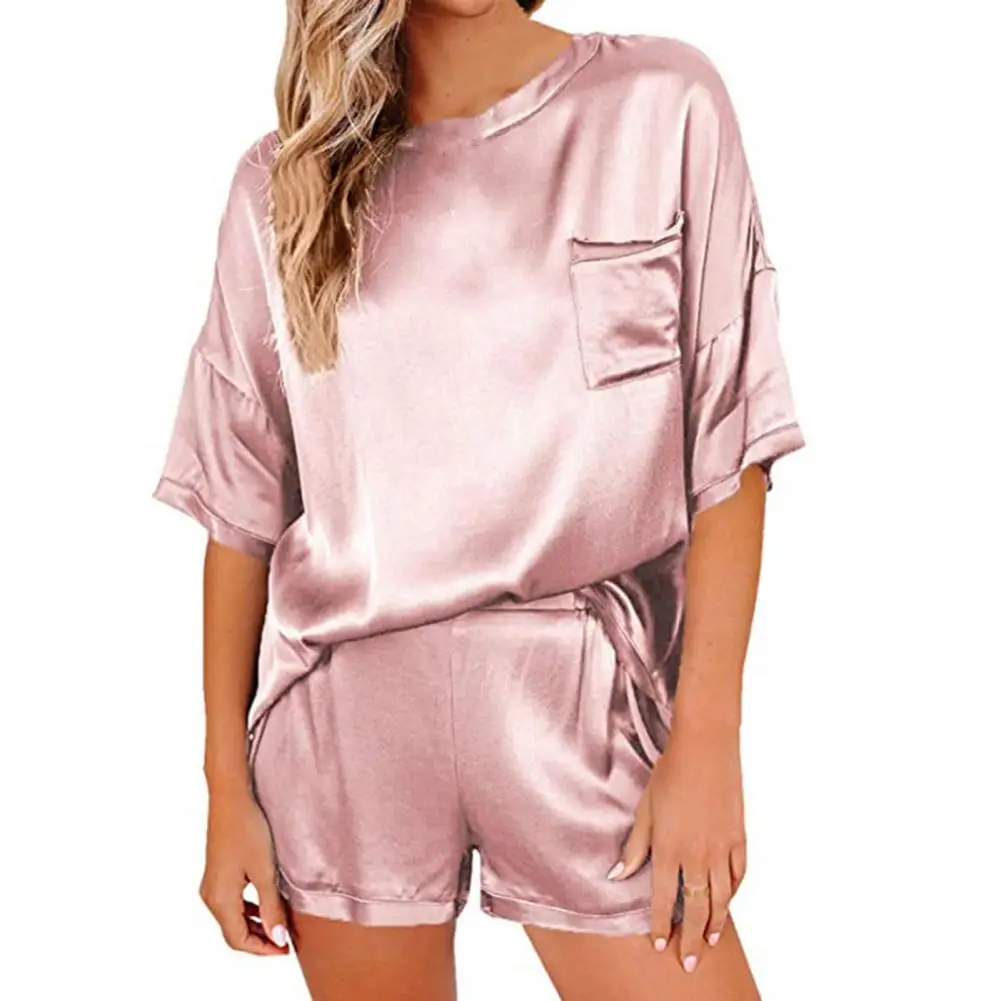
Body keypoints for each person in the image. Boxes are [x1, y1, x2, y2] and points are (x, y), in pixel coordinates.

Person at [151, 1, 806, 998]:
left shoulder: (658, 103)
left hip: (584, 703)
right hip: (347, 720)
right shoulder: (282, 183)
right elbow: (240, 512)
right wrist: (223, 788)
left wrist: (709, 742)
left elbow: (730, 444)